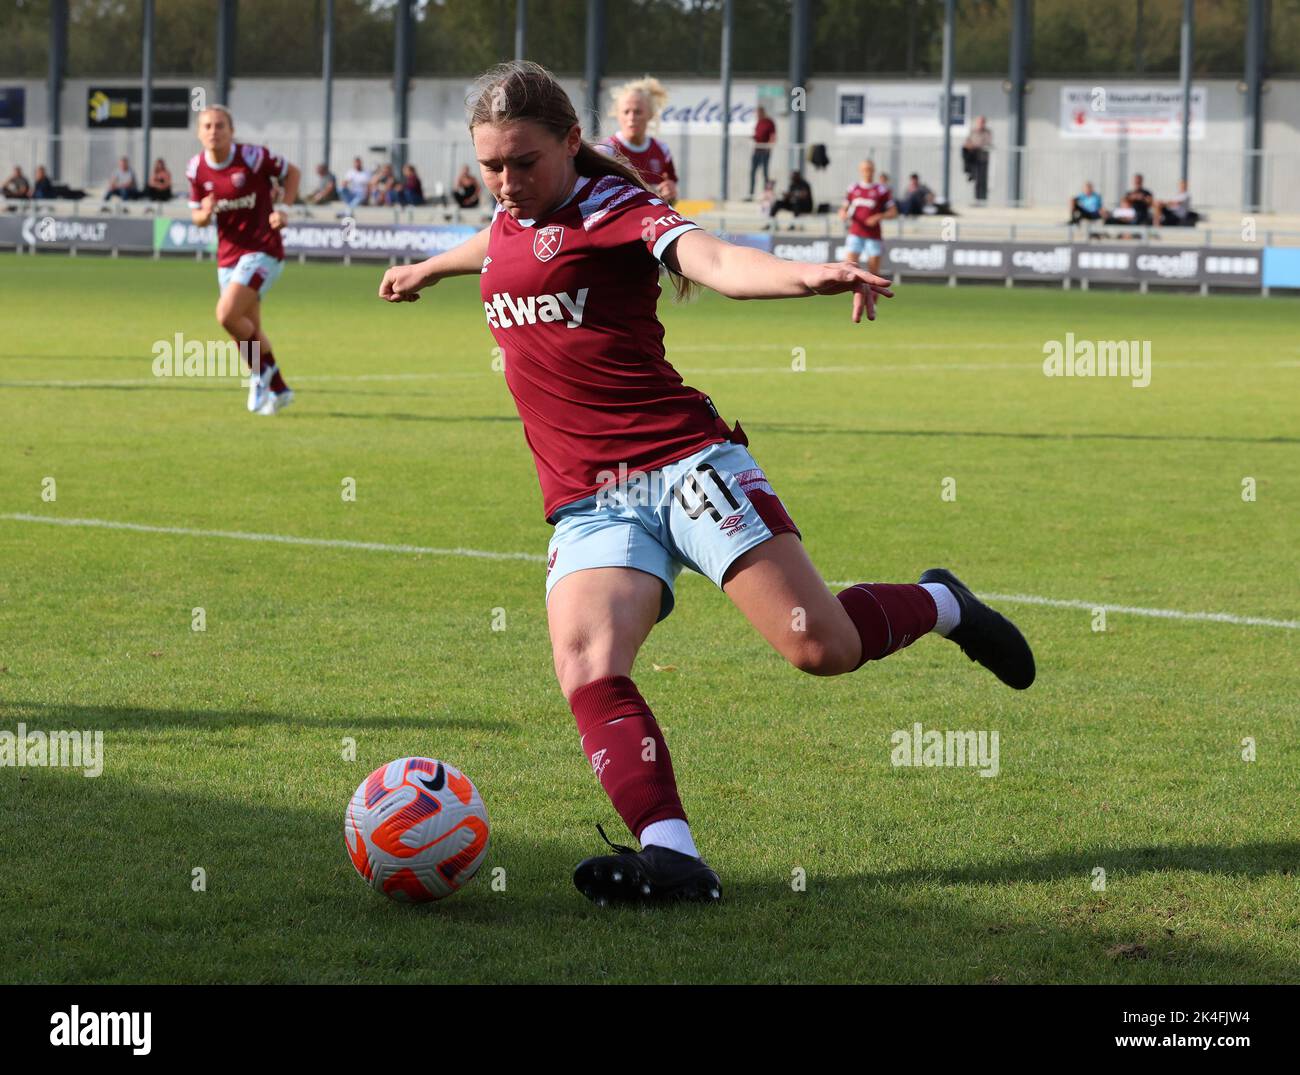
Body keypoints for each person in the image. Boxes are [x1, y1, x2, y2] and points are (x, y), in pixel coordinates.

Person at [377, 61, 1035, 908]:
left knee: (819, 647)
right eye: (491, 166)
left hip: (682, 466)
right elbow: (495, 246)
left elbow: (716, 260)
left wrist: (808, 275)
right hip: (589, 495)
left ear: (571, 144)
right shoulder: (511, 216)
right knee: (587, 663)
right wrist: (428, 267)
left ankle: (944, 603)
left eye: (523, 163)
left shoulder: (616, 210)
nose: (505, 183)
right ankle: (672, 854)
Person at [187, 104, 300, 416]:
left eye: (220, 125)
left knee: (226, 315)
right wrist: (205, 213)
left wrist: (286, 209)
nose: (213, 131)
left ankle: (258, 373)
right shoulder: (196, 168)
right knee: (246, 327)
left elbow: (293, 173)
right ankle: (279, 388)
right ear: (199, 132)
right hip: (228, 256)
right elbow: (196, 215)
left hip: (263, 249)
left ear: (231, 131)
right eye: (207, 126)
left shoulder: (253, 157)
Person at [599, 76, 678, 202]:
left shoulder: (662, 150)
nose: (631, 117)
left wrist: (671, 194)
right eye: (626, 112)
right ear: (617, 115)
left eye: (638, 112)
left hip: (652, 220)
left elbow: (671, 197)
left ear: (650, 114)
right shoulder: (605, 150)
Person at [839, 159, 896, 278]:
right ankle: (857, 295)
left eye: (870, 170)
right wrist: (843, 213)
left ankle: (872, 295)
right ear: (860, 171)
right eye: (865, 170)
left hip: (873, 235)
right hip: (855, 232)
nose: (867, 172)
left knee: (874, 272)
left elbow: (893, 212)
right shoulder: (853, 188)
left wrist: (879, 216)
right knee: (849, 268)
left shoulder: (881, 190)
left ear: (874, 171)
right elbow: (843, 208)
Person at [748, 106, 777, 199]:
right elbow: (757, 135)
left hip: (764, 150)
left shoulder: (769, 122)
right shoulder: (758, 123)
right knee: (752, 172)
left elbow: (772, 136)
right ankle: (751, 193)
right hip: (757, 150)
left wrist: (769, 147)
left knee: (765, 173)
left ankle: (766, 193)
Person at [962, 116, 993, 202]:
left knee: (982, 180)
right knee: (976, 181)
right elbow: (967, 142)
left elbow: (987, 143)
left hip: (982, 159)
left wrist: (975, 146)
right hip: (974, 159)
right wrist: (969, 146)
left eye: (982, 122)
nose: (980, 124)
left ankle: (982, 199)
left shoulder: (987, 132)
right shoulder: (972, 132)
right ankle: (977, 200)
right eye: (979, 122)